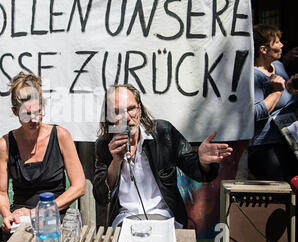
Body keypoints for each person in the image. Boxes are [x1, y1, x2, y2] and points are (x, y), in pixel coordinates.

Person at [93, 84, 233, 229]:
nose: (127, 118)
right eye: (118, 112)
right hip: (125, 219)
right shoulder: (104, 146)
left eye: (131, 109)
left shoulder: (164, 133)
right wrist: (116, 161)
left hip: (165, 217)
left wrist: (203, 162)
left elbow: (196, 170)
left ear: (139, 109)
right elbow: (101, 197)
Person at [0, 72, 86, 242]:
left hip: (56, 214)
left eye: (38, 112)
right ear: (15, 111)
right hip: (21, 218)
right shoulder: (4, 145)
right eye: (27, 114)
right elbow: (0, 192)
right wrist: (7, 215)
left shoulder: (61, 136)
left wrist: (42, 212)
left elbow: (79, 187)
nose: (34, 119)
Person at [249, 24, 298, 182]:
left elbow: (285, 102)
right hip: (265, 146)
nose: (282, 45)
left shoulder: (278, 67)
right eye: (276, 42)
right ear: (263, 49)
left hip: (288, 141)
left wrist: (290, 90)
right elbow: (254, 113)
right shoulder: (253, 76)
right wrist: (277, 92)